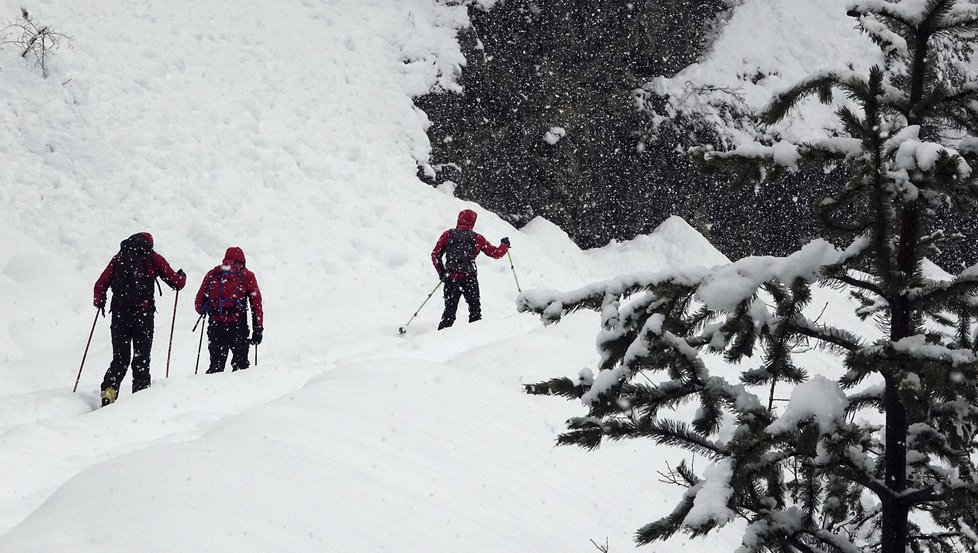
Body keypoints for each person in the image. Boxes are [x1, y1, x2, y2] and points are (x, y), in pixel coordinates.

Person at [93, 232, 186, 406]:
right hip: (143, 316)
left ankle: (109, 391)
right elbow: (176, 282)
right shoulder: (152, 257)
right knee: (141, 357)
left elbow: (100, 285)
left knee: (120, 358)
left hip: (120, 315)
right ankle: (140, 400)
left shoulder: (119, 258)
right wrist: (182, 277)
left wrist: (99, 301)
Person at [431, 209, 510, 330]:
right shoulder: (477, 238)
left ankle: (440, 337)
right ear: (473, 222)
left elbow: (435, 255)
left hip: (451, 278)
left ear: (459, 219)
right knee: (475, 312)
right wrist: (504, 246)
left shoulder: (448, 235)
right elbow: (495, 253)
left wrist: (442, 273)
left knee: (449, 313)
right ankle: (475, 338)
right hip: (469, 279)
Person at [194, 247, 263, 374]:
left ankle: (210, 390)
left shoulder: (213, 274)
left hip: (216, 327)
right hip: (238, 326)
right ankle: (238, 392)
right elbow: (256, 304)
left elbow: (199, 304)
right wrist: (257, 329)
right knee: (241, 368)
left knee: (216, 366)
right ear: (242, 261)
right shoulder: (247, 276)